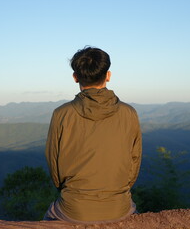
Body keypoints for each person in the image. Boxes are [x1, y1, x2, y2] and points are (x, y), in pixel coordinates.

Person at [44, 46, 142, 224]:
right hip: (119, 206)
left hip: (73, 208)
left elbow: (54, 164)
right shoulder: (129, 113)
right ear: (108, 75)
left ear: (75, 77)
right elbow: (134, 163)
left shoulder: (61, 114)